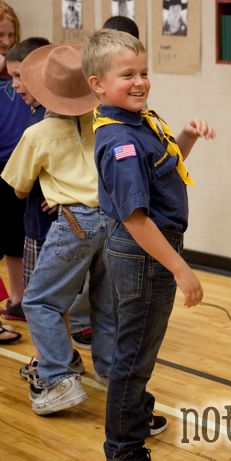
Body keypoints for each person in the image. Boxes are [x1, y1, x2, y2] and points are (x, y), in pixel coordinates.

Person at [81, 29, 215, 460]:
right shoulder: (119, 141)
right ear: (97, 84)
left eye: (143, 72)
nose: (139, 82)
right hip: (145, 254)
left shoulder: (137, 123)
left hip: (149, 250)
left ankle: (135, 418)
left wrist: (186, 138)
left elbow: (160, 176)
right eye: (127, 75)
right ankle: (124, 448)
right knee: (134, 356)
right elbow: (136, 219)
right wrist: (180, 268)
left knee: (137, 346)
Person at [1, 43, 115, 414]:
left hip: (73, 223)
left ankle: (56, 378)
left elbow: (18, 188)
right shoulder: (104, 121)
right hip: (112, 220)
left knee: (39, 301)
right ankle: (113, 374)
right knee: (104, 303)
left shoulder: (36, 134)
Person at [4, 37, 91, 383]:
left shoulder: (41, 128)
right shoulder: (83, 118)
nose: (13, 85)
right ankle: (60, 356)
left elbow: (18, 186)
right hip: (67, 222)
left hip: (50, 226)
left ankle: (51, 365)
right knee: (57, 301)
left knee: (41, 301)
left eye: (18, 76)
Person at [0, 1, 28, 322]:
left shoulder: (20, 70)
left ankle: (18, 298)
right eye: (0, 36)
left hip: (18, 163)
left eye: (11, 35)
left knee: (16, 236)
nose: (6, 42)